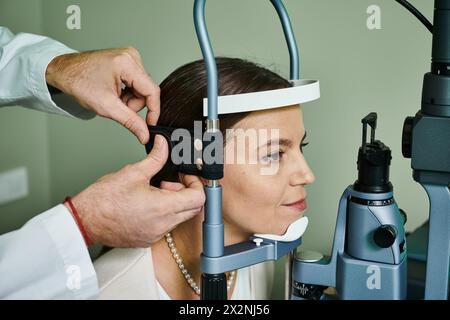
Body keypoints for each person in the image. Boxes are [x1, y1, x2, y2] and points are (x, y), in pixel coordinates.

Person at [0, 27, 205, 299]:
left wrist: (57, 66)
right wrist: (84, 222)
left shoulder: (252, 257)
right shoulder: (115, 287)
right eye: (271, 154)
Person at [93, 58, 316, 299]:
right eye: (274, 154)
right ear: (195, 160)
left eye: (301, 146)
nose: (307, 175)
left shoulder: (257, 260)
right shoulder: (112, 290)